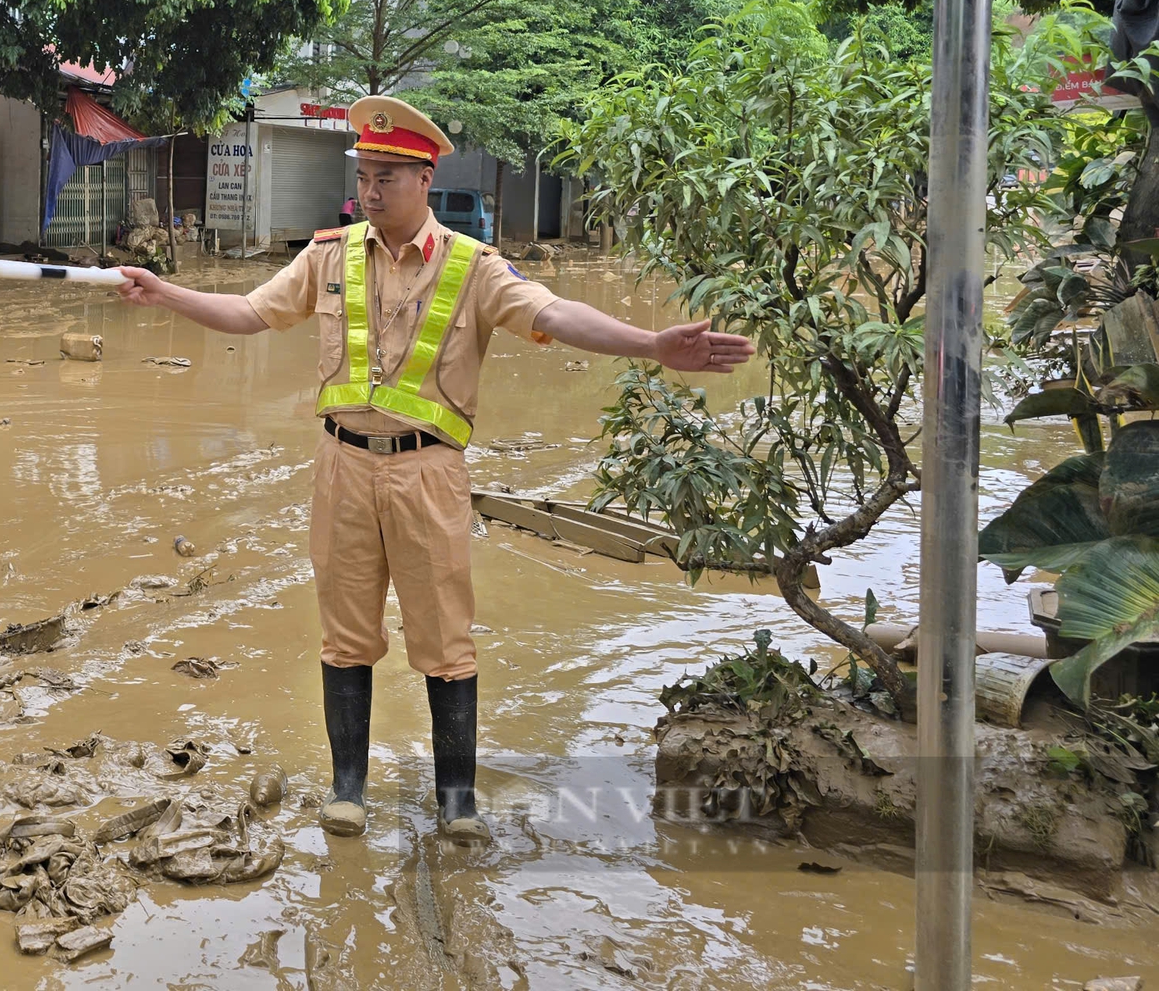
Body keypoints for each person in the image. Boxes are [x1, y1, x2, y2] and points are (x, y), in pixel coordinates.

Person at [115, 95, 753, 844]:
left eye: (387, 175)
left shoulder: (475, 269)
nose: (370, 188)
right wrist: (164, 294)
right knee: (345, 635)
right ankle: (347, 788)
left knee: (445, 638)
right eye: (365, 173)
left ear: (424, 179)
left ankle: (457, 800)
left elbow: (554, 315)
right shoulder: (327, 255)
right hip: (342, 467)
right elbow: (251, 313)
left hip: (429, 474)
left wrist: (650, 344)